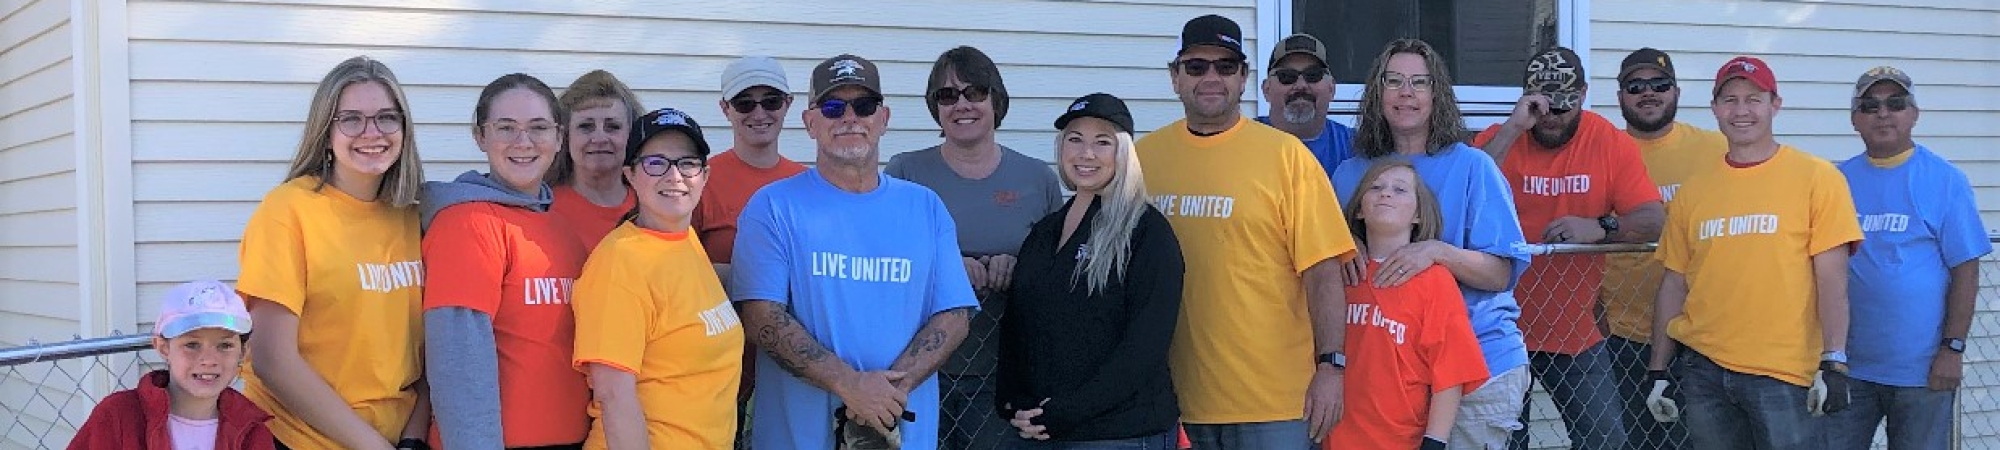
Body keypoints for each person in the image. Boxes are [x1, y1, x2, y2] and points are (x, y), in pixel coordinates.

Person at [731, 54, 979, 450]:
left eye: (863, 106)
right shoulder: (772, 207)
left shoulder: (926, 207)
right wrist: (851, 386)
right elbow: (762, 317)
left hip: (905, 434)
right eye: (832, 107)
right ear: (810, 123)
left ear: (884, 118)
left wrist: (884, 393)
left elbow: (953, 314)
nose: (849, 117)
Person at [1138, 14, 1356, 449]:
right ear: (1175, 77)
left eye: (1225, 66)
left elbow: (1323, 273)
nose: (1211, 77)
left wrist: (1331, 367)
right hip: (1172, 402)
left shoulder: (1287, 157)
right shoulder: (1142, 160)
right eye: (1196, 66)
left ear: (1243, 78)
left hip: (1275, 405)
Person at [1644, 56, 1863, 450]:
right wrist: (1658, 368)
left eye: (1753, 99)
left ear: (1774, 105)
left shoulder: (1817, 178)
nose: (1741, 110)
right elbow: (1674, 283)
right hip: (1704, 371)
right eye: (1729, 99)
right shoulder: (1694, 191)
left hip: (1784, 376)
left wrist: (1834, 361)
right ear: (1715, 109)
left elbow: (1832, 279)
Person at [1328, 38, 1532, 450]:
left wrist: (1437, 251)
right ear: (1376, 93)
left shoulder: (1474, 166)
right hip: (1388, 376)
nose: (1407, 93)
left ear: (1436, 94)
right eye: (1394, 81)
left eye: (1420, 82)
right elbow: (1326, 261)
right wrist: (1343, 239)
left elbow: (1501, 273)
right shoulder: (1350, 174)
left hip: (1477, 366)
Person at [1473, 47, 1665, 450]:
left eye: (1564, 104)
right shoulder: (1501, 137)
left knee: (1605, 441)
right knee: (1500, 443)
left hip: (1576, 329)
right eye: (1543, 105)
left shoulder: (1608, 142)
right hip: (1499, 331)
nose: (1552, 117)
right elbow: (1466, 191)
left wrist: (1602, 226)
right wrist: (1512, 129)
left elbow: (1655, 219)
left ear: (1582, 94)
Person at [236, 55, 432, 450]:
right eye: (352, 119)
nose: (371, 132)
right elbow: (272, 358)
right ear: (326, 132)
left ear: (404, 129)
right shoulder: (289, 211)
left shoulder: (415, 215)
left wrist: (412, 437)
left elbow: (431, 348)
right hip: (298, 438)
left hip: (397, 437)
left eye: (386, 117)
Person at [884, 45, 1063, 450]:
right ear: (935, 108)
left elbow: (1058, 274)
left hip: (1003, 372)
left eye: (975, 92)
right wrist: (947, 268)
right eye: (947, 96)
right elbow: (883, 262)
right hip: (919, 370)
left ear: (995, 100)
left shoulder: (1037, 179)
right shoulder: (904, 174)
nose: (961, 104)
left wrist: (1019, 267)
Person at [996, 93, 1184, 449]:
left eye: (1103, 142)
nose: (1086, 153)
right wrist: (1013, 401)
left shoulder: (1147, 232)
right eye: (1075, 139)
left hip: (1120, 433)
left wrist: (1068, 411)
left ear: (1124, 152)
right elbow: (1018, 323)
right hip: (1040, 431)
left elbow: (1144, 346)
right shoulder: (1045, 232)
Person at [421, 73, 590, 450]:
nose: (523, 142)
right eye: (506, 128)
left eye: (538, 127)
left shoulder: (558, 227)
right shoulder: (467, 223)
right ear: (480, 136)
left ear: (559, 137)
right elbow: (457, 366)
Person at [1827, 66, 1990, 450]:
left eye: (1895, 103)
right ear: (1854, 120)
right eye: (1870, 105)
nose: (1883, 114)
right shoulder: (1835, 182)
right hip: (1847, 368)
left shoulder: (1945, 180)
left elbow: (1966, 269)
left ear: (1914, 113)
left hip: (1922, 372)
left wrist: (1953, 349)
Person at [572, 107, 746, 449]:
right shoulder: (620, 262)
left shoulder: (685, 241)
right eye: (656, 163)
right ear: (631, 175)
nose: (674, 176)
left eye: (687, 163)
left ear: (705, 175)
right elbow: (613, 395)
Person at [1596, 47, 1720, 450]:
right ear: (1619, 97)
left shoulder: (1715, 150)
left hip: (1701, 333)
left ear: (1677, 92)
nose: (1648, 93)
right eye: (1635, 86)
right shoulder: (1602, 151)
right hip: (1623, 334)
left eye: (1659, 84)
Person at [1325, 160, 1489, 450]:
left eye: (1400, 190)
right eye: (1375, 187)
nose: (1386, 194)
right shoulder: (1339, 272)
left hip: (1400, 439)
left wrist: (1434, 441)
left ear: (1418, 214)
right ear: (1360, 209)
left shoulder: (1435, 280)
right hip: (1333, 435)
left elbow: (1450, 370)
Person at [697, 54, 810, 450]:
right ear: (725, 109)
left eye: (771, 101)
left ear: (788, 105)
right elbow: (674, 265)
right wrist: (750, 279)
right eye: (745, 103)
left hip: (794, 365)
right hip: (720, 365)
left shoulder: (808, 184)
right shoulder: (699, 180)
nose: (759, 113)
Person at [70, 280, 275, 450]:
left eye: (225, 345)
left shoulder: (252, 432)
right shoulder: (118, 416)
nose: (209, 359)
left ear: (243, 352)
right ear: (163, 347)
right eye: (192, 345)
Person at [548, 70, 643, 247]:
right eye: (586, 126)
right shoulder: (542, 207)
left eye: (612, 126)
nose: (599, 139)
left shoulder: (652, 207)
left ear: (631, 134)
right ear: (564, 135)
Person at [1257, 33, 1354, 175]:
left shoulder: (1357, 149)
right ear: (1266, 89)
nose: (1301, 85)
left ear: (1332, 88)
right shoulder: (1242, 145)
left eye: (1313, 75)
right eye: (1287, 76)